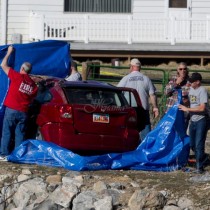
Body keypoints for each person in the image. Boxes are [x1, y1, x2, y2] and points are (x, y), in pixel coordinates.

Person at [0, 45, 38, 161]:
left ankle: (3, 155)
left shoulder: (16, 76)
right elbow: (32, 98)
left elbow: (3, 65)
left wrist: (9, 52)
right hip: (23, 112)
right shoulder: (33, 85)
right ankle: (18, 155)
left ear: (22, 68)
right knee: (20, 134)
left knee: (7, 132)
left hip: (11, 109)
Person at [117, 58, 159, 141]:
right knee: (145, 133)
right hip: (143, 109)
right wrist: (155, 107)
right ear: (139, 67)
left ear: (131, 67)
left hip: (130, 109)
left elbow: (118, 91)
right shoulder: (146, 78)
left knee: (129, 130)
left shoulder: (126, 78)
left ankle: (130, 149)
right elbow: (152, 94)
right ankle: (145, 150)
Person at [179, 72, 210, 173]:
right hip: (193, 120)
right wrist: (184, 102)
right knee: (192, 144)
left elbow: (202, 108)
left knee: (198, 144)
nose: (190, 83)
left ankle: (199, 168)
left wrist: (187, 109)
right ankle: (204, 158)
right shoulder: (191, 90)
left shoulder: (202, 91)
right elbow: (190, 102)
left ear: (198, 82)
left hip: (202, 119)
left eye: (192, 81)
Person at [164, 62, 191, 131]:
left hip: (183, 113)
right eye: (180, 69)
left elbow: (193, 96)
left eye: (184, 69)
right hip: (171, 112)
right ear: (178, 70)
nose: (183, 71)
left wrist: (187, 101)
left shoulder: (189, 81)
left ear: (187, 70)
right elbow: (166, 92)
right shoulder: (173, 79)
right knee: (169, 132)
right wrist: (176, 83)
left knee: (181, 133)